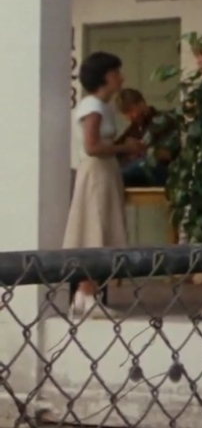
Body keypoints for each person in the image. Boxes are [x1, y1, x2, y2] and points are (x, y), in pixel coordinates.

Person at [63, 52, 145, 319]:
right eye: (116, 73)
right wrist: (125, 147)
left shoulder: (102, 106)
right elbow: (92, 146)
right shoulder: (93, 107)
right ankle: (86, 292)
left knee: (103, 227)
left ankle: (87, 293)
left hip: (106, 172)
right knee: (95, 227)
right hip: (97, 173)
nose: (121, 78)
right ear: (105, 77)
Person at [114, 88, 178, 187]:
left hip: (164, 173)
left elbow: (170, 153)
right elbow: (117, 150)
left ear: (141, 103)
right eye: (126, 114)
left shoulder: (165, 121)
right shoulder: (134, 129)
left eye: (131, 110)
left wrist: (143, 150)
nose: (130, 116)